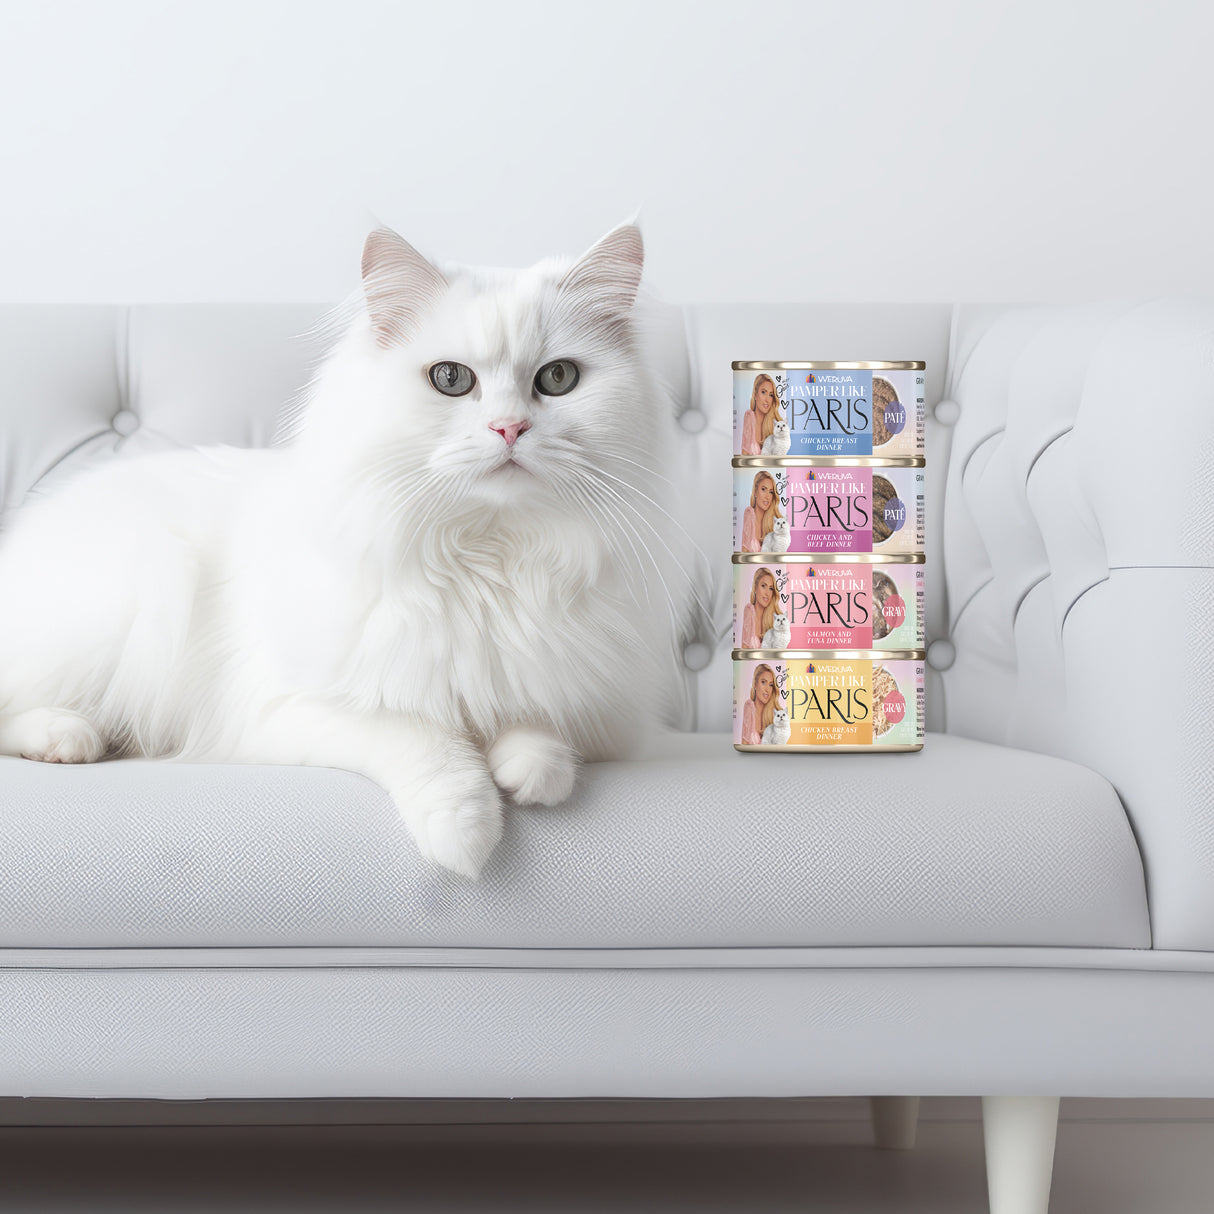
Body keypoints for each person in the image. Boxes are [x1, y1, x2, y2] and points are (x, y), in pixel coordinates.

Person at [741, 373, 784, 456]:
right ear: (755, 394)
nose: (767, 400)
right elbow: (744, 455)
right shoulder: (749, 416)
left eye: (771, 395)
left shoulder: (777, 425)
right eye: (763, 392)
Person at [740, 471, 784, 553]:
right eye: (763, 489)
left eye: (771, 492)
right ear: (755, 491)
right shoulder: (749, 513)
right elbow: (744, 552)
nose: (767, 496)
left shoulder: (774, 522)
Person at [741, 662, 781, 745]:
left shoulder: (775, 713)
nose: (767, 689)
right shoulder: (749, 706)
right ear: (755, 684)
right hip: (751, 757)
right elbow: (744, 743)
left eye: (771, 685)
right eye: (763, 682)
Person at [741, 567, 779, 649]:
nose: (767, 593)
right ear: (755, 588)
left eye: (771, 588)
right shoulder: (749, 610)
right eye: (763, 586)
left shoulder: (774, 618)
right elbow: (744, 648)